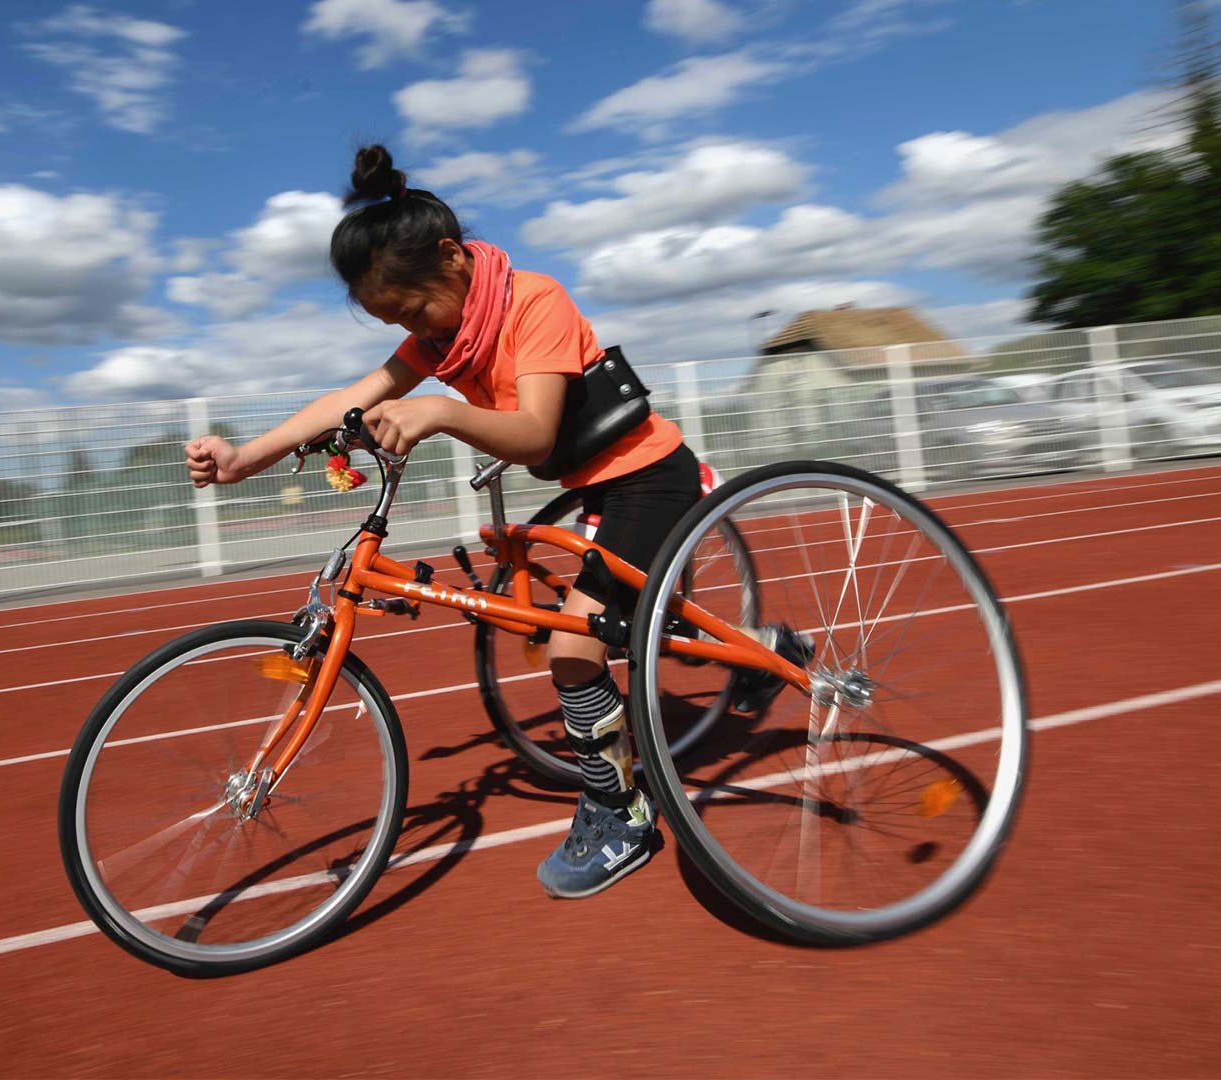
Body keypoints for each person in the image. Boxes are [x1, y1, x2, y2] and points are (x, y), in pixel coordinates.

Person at [185, 145, 804, 899]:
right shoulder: (447, 333)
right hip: (593, 491)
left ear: (451, 258)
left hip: (649, 479)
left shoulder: (532, 301)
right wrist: (246, 457)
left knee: (575, 648)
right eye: (396, 322)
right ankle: (768, 650)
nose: (418, 337)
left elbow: (537, 434)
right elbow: (359, 391)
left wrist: (441, 411)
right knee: (640, 629)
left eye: (411, 311)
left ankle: (623, 813)